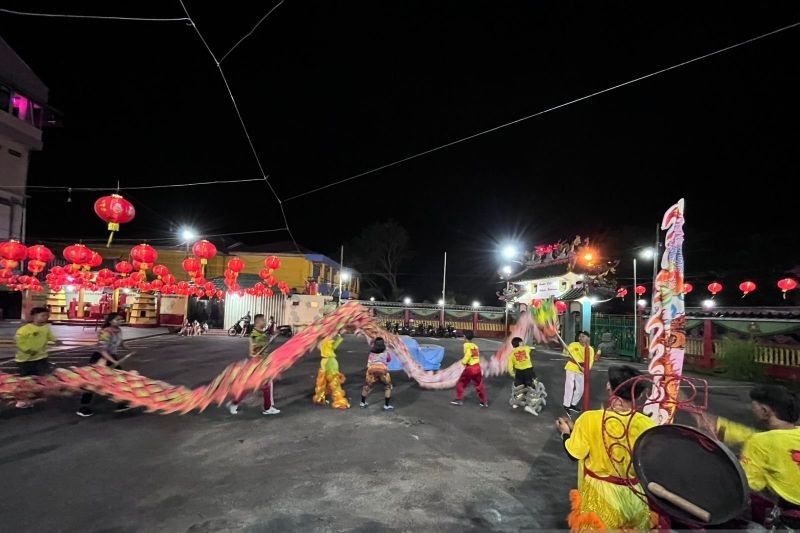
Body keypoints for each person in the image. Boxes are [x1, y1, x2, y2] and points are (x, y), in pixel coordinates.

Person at [555, 365, 656, 530]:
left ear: (609, 387)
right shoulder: (647, 424)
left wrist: (565, 433)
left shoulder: (589, 419)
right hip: (634, 496)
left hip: (600, 498)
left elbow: (574, 454)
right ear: (638, 394)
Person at [697, 385, 800, 527]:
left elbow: (749, 485)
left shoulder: (759, 442)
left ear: (765, 411)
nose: (751, 409)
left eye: (754, 406)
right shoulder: (791, 434)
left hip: (792, 519)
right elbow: (758, 437)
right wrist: (718, 426)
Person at [76, 312, 131, 417]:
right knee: (92, 383)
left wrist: (128, 348)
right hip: (100, 358)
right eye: (117, 319)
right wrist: (114, 361)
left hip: (112, 357)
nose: (120, 321)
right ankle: (83, 407)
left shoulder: (118, 330)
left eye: (121, 320)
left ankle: (120, 403)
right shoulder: (105, 332)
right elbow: (102, 350)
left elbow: (121, 342)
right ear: (110, 321)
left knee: (119, 380)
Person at [227, 314, 280, 416]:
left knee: (264, 384)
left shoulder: (262, 334)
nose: (265, 322)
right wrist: (261, 351)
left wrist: (273, 339)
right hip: (257, 364)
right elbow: (253, 352)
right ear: (258, 322)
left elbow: (267, 344)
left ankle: (235, 403)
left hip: (262, 363)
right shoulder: (255, 335)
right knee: (263, 385)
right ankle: (267, 408)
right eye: (263, 320)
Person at [14, 307, 62, 408]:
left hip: (41, 357)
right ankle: (21, 399)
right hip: (25, 359)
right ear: (34, 316)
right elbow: (19, 342)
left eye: (47, 316)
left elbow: (50, 336)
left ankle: (34, 397)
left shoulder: (46, 327)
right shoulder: (24, 329)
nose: (45, 318)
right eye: (43, 315)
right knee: (25, 380)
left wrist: (56, 340)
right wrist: (28, 350)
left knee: (39, 377)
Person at [562, 331, 598, 414]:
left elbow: (590, 361)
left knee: (580, 389)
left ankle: (572, 404)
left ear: (588, 338)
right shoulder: (573, 344)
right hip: (571, 366)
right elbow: (565, 354)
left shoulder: (590, 349)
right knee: (569, 386)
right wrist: (565, 349)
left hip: (582, 369)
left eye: (582, 336)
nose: (580, 338)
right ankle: (566, 405)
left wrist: (586, 369)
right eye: (579, 336)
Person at [451, 330, 488, 407]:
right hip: (477, 367)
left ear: (464, 337)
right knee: (479, 384)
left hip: (470, 368)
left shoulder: (466, 345)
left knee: (461, 383)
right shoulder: (475, 346)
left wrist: (463, 362)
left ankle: (459, 399)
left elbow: (468, 354)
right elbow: (476, 355)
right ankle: (484, 402)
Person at [314, 334, 350, 409]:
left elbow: (333, 346)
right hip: (330, 362)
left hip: (325, 362)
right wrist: (335, 333)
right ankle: (339, 401)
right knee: (333, 381)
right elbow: (331, 343)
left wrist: (339, 337)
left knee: (323, 381)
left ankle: (320, 397)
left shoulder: (323, 344)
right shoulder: (325, 342)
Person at [360, 337, 393, 410]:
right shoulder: (386, 353)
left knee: (367, 386)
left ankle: (362, 403)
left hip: (372, 370)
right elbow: (389, 360)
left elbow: (368, 364)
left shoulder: (371, 353)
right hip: (382, 370)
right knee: (388, 387)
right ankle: (386, 405)